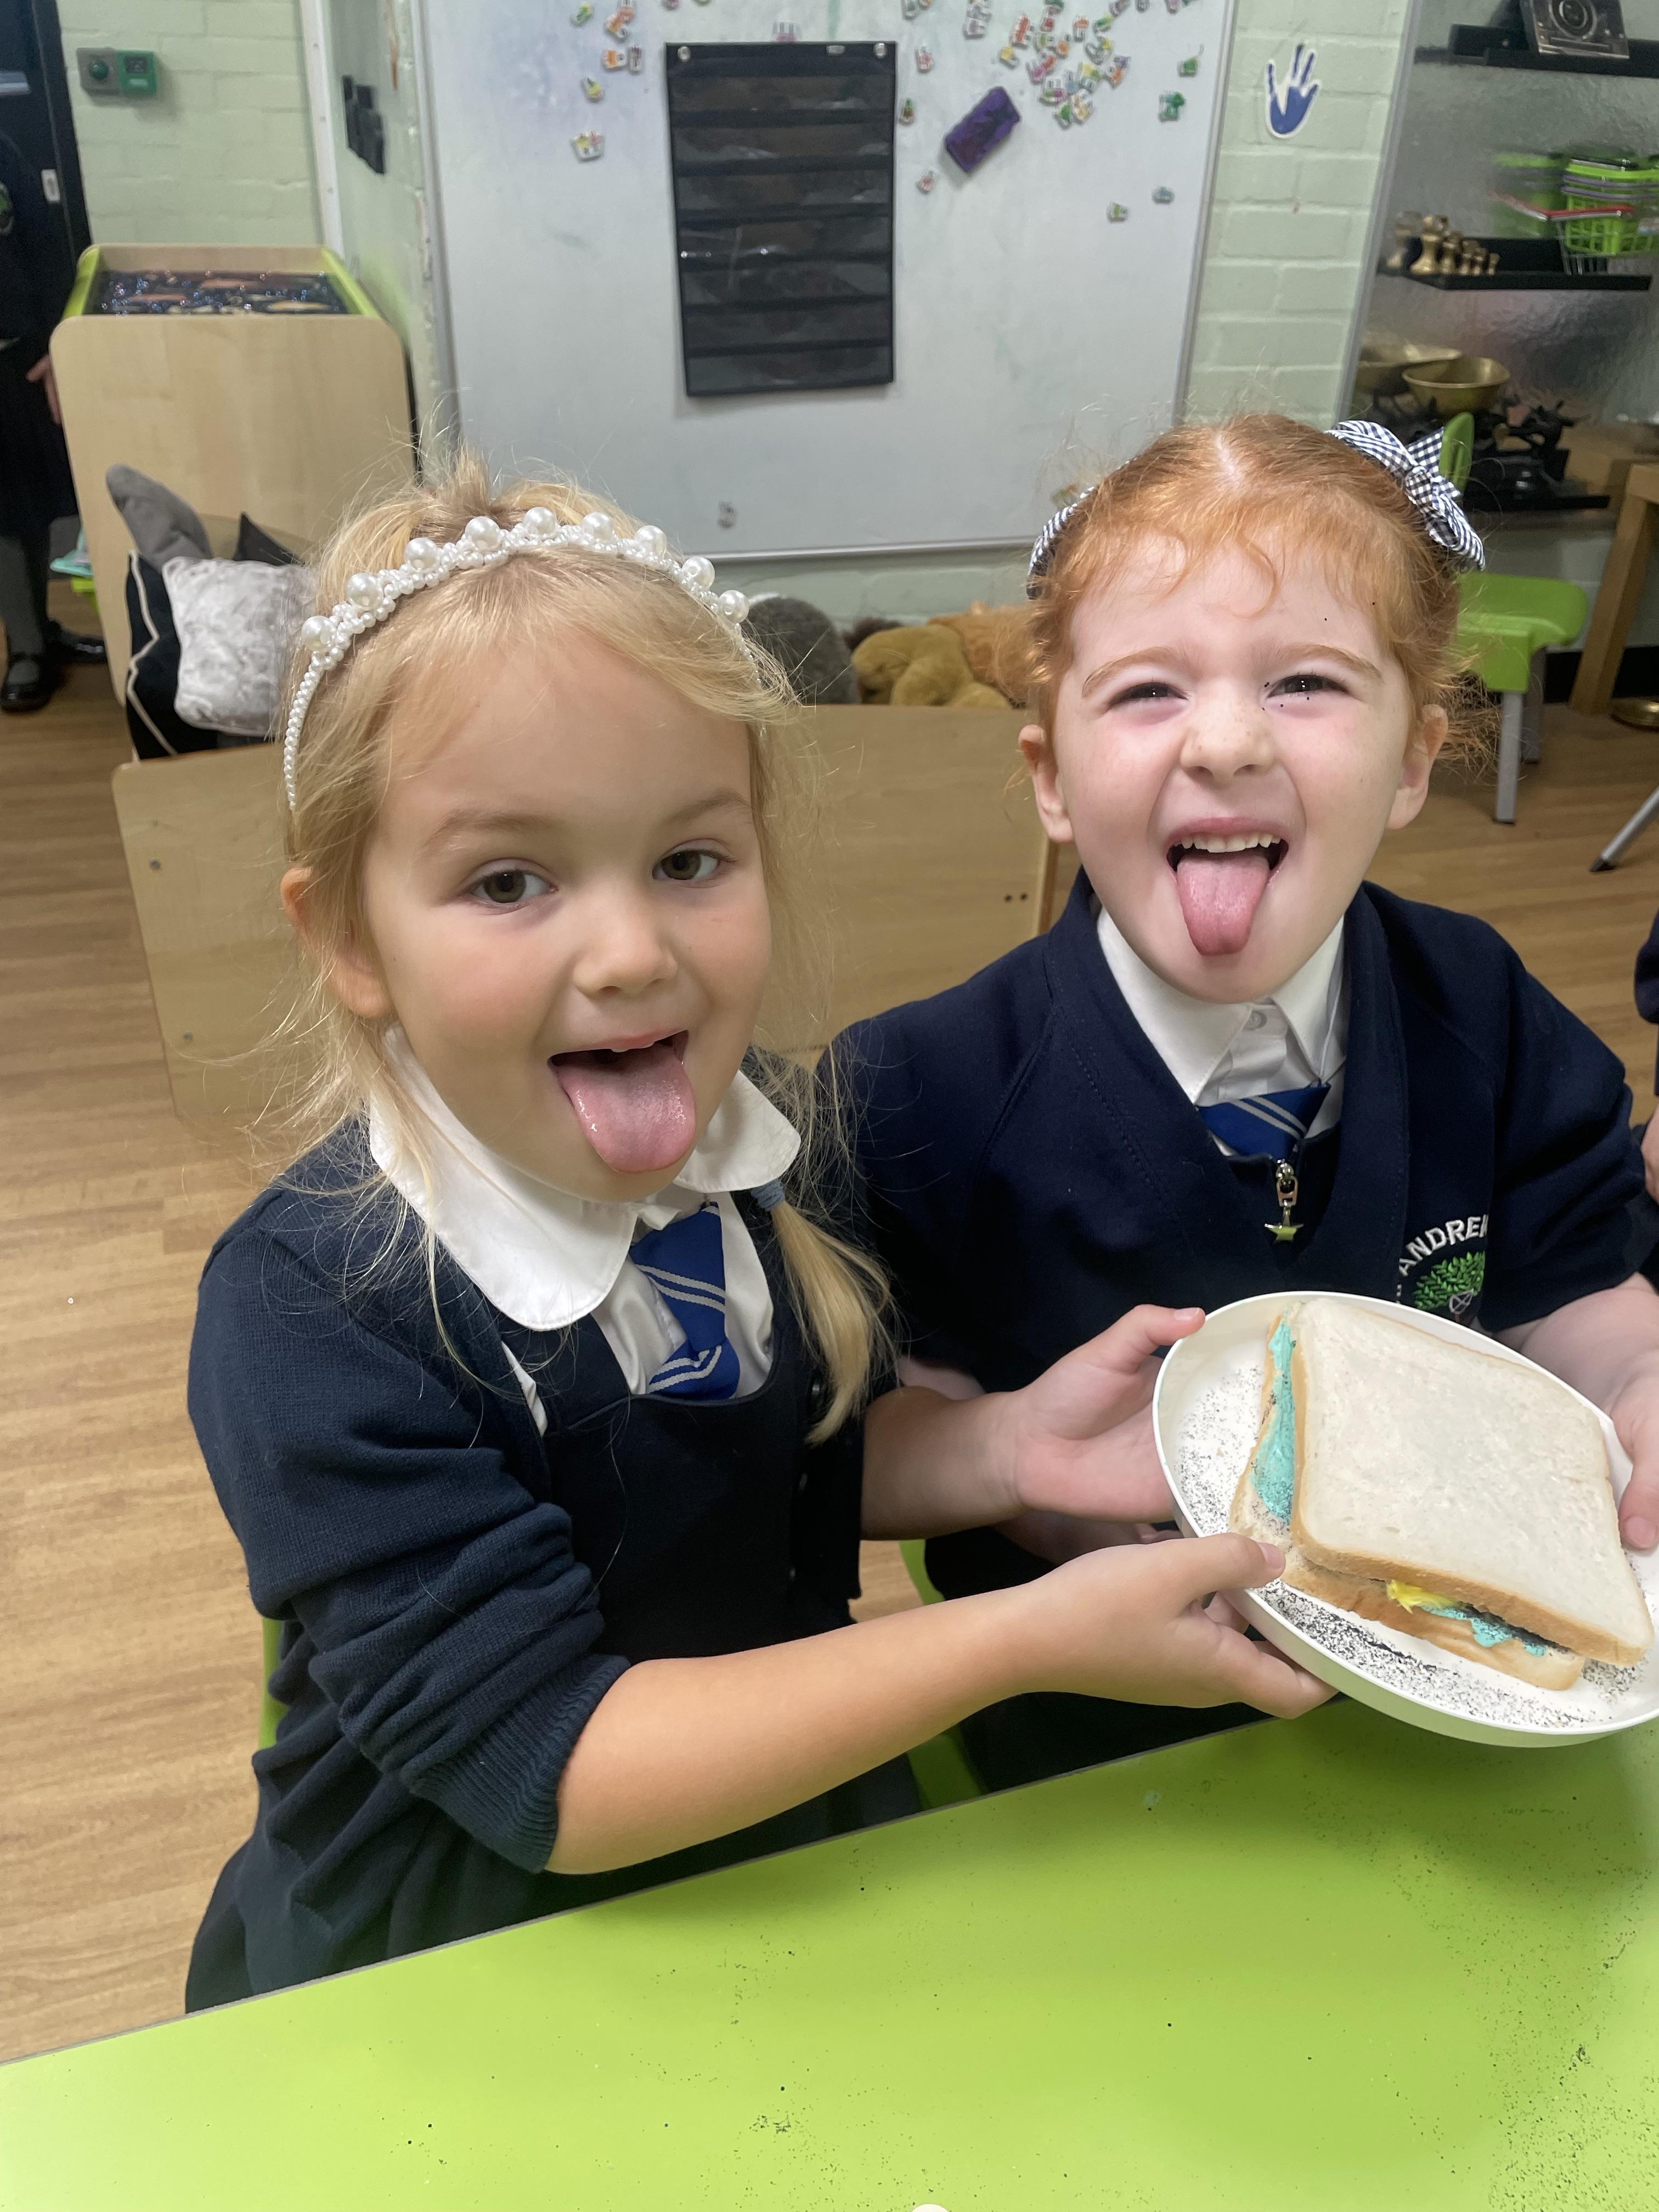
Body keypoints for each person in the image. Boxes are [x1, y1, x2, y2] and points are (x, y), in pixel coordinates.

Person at [184, 458, 1328, 2006]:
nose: (630, 953)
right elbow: (547, 1768)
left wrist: (1006, 1451)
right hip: (462, 1944)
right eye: (509, 881)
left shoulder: (771, 1142)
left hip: (786, 1840)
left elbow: (755, 1468)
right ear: (348, 935)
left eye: (689, 862)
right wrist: (1024, 1639)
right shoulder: (310, 1304)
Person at [832, 414, 1659, 1791]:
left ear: (1414, 761)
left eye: (1307, 683)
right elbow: (871, 1439)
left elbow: (1574, 1287)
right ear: (1051, 777)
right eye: (1149, 691)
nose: (1223, 741)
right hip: (1082, 1745)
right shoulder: (916, 1090)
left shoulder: (1483, 1009)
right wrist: (1045, 1504)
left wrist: (1638, 1380)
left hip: (1462, 1729)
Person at [0, 129, 103, 710]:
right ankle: (26, 650)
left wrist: (54, 340)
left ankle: (37, 632)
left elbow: (43, 243)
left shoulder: (4, 148)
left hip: (18, 359)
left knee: (27, 503)